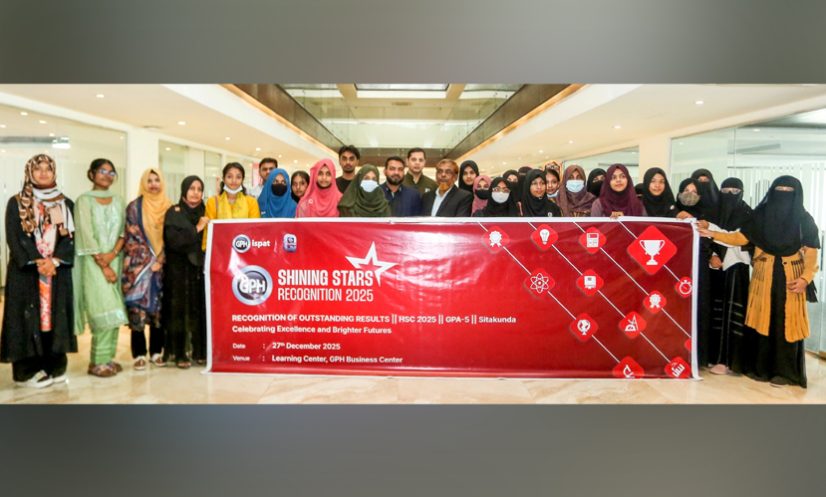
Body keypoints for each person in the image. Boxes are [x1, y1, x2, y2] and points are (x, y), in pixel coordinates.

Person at [699, 176, 820, 388]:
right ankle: (761, 369)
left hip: (791, 278)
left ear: (797, 194)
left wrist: (805, 279)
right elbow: (741, 238)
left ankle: (785, 373)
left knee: (786, 323)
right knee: (762, 320)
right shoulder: (761, 215)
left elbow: (811, 253)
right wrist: (712, 233)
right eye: (779, 189)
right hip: (763, 276)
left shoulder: (804, 220)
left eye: (788, 190)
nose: (783, 194)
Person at [1, 154, 76, 388]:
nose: (43, 173)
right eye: (38, 168)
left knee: (54, 318)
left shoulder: (64, 203)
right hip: (27, 273)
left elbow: (70, 238)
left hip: (56, 273)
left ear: (54, 172)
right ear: (29, 173)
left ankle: (54, 366)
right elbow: (14, 237)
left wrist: (55, 261)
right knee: (26, 320)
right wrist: (38, 261)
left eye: (48, 168)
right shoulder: (17, 203)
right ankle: (26, 373)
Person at [74, 158, 128, 378]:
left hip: (116, 260)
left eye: (111, 172)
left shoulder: (119, 200)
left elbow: (124, 231)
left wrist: (112, 255)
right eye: (102, 171)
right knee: (102, 310)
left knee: (116, 311)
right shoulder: (83, 201)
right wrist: (103, 263)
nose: (107, 175)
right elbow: (86, 234)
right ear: (92, 174)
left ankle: (108, 358)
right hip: (92, 263)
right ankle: (97, 362)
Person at [704, 177, 754, 376]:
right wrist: (711, 256)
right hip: (713, 268)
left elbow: (744, 240)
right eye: (725, 191)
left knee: (731, 314)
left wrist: (715, 235)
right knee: (713, 312)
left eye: (735, 191)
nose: (730, 195)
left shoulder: (748, 214)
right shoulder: (712, 212)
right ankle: (712, 355)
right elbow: (703, 238)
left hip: (736, 269)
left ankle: (730, 360)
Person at [122, 168, 171, 370]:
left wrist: (162, 258)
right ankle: (139, 354)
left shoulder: (169, 207)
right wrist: (151, 261)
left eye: (157, 180)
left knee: (159, 311)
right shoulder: (134, 208)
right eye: (149, 181)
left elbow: (172, 236)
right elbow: (131, 237)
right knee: (137, 310)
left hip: (163, 266)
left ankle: (157, 352)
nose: (153, 184)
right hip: (139, 267)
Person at [163, 176, 209, 369]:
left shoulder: (207, 212)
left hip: (201, 269)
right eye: (191, 188)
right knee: (179, 310)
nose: (195, 193)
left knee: (201, 309)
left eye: (199, 189)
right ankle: (179, 353)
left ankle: (201, 352)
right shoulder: (174, 212)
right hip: (178, 270)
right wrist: (197, 228)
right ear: (184, 191)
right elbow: (173, 240)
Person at [202, 162, 260, 250]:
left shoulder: (251, 202)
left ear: (242, 179)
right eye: (229, 177)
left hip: (245, 248)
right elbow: (209, 230)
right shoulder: (213, 202)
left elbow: (254, 229)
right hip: (219, 250)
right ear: (224, 179)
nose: (234, 181)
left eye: (238, 177)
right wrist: (208, 250)